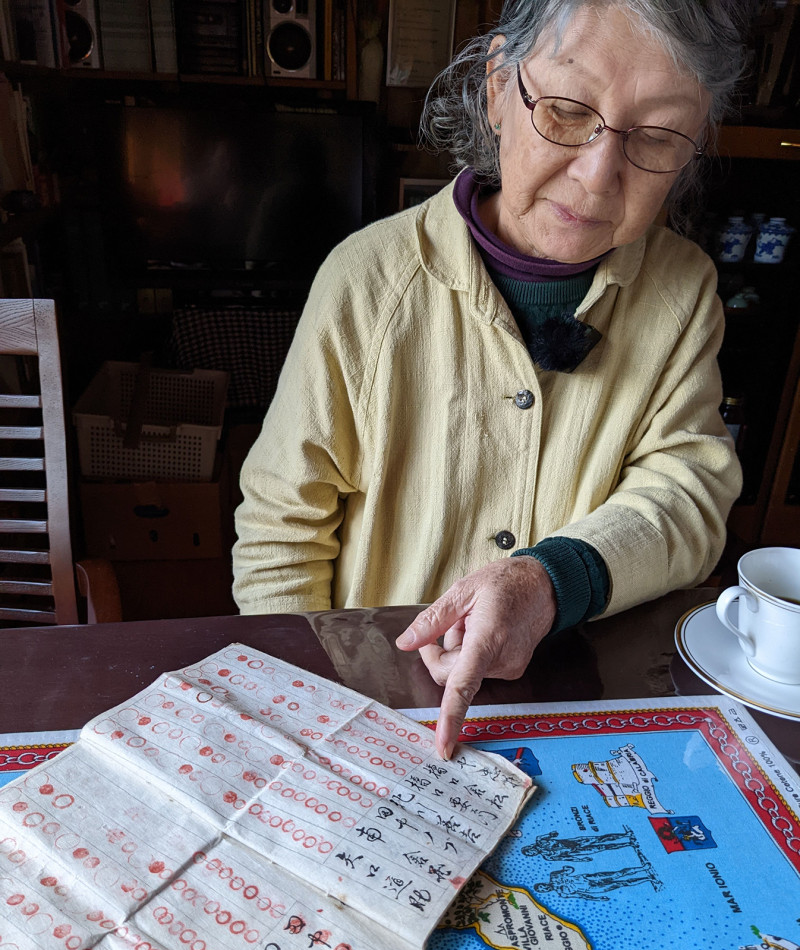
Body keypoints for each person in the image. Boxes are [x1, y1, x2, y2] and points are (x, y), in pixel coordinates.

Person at [233, 0, 750, 759]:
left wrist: (550, 579)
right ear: (498, 86)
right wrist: (311, 719)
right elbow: (283, 529)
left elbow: (691, 490)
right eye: (569, 112)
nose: (599, 174)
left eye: (657, 136)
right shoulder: (368, 281)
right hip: (375, 712)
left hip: (583, 710)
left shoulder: (682, 291)